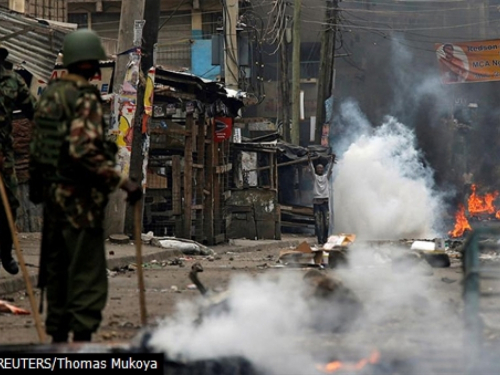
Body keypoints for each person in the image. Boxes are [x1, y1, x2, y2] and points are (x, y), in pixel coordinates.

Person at [29, 29, 142, 343]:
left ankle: (58, 334)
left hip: (52, 195)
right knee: (86, 268)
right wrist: (123, 182)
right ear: (91, 65)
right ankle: (80, 338)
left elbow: (40, 146)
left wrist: (39, 188)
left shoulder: (49, 94)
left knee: (57, 264)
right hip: (79, 197)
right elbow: (84, 151)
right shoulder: (84, 98)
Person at [0, 45, 36, 276]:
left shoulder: (12, 81)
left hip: (4, 155)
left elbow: (33, 109)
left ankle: (5, 252)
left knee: (10, 204)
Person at [308, 152, 335, 246]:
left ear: (323, 169)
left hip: (325, 202)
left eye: (321, 168)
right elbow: (311, 169)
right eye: (318, 168)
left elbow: (330, 168)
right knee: (318, 223)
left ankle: (325, 239)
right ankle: (320, 240)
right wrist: (310, 160)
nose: (320, 169)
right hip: (317, 202)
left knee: (326, 222)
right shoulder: (314, 178)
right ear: (316, 170)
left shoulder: (326, 177)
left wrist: (332, 160)